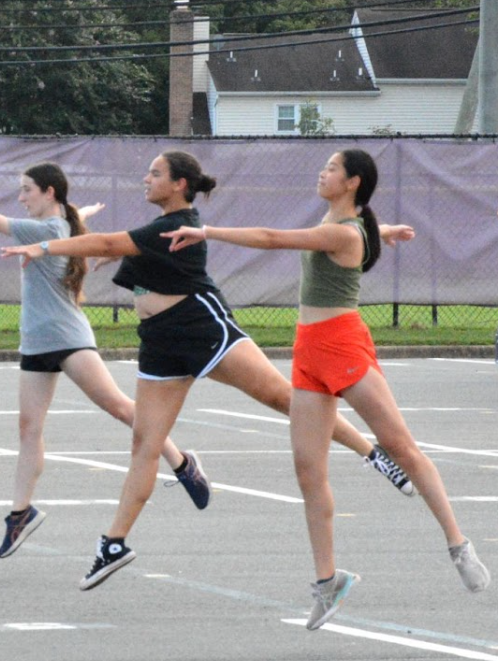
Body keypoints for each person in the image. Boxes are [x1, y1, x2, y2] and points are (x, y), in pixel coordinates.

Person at [0, 150, 414, 593]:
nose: (146, 178)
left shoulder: (171, 225)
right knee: (145, 440)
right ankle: (114, 543)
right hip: (159, 339)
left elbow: (105, 243)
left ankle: (374, 453)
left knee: (282, 398)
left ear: (179, 184)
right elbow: (109, 246)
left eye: (155, 174)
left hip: (200, 327)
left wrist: (43, 246)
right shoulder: (156, 229)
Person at [163, 148, 490, 629]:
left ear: (353, 182)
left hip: (343, 345)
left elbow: (274, 238)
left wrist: (207, 230)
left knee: (399, 445)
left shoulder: (341, 231)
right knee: (307, 470)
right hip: (309, 349)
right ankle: (328, 581)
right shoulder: (345, 222)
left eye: (333, 168)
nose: (323, 171)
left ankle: (458, 544)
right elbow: (354, 231)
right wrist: (387, 230)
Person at [0, 162, 211, 560]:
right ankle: (20, 513)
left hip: (68, 338)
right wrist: (85, 212)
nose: (22, 198)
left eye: (27, 190)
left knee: (119, 407)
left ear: (49, 193)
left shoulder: (44, 230)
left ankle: (182, 463)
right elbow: (77, 214)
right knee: (29, 428)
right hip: (36, 341)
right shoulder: (65, 218)